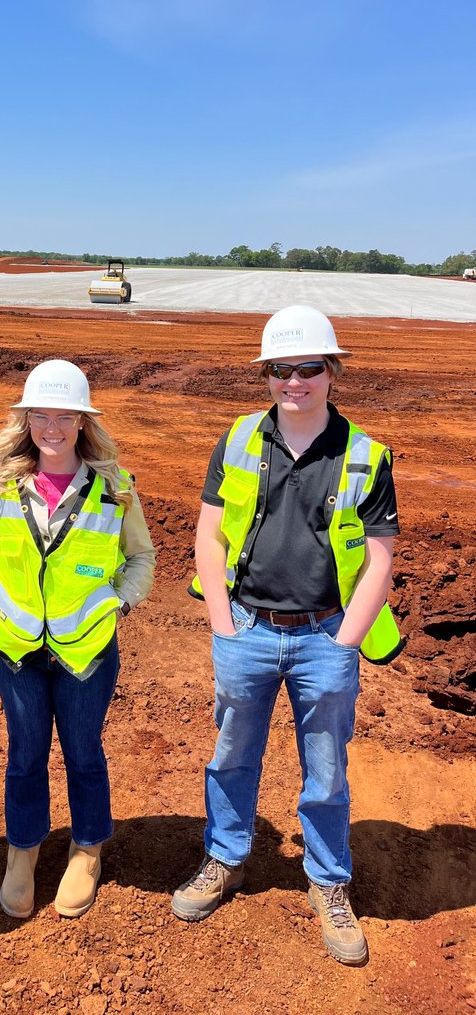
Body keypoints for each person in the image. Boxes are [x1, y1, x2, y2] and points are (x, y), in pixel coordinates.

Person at [172, 305, 401, 966]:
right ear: (266, 375)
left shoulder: (365, 455)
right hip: (245, 628)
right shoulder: (240, 439)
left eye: (307, 369)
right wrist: (222, 623)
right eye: (280, 370)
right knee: (230, 758)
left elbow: (381, 555)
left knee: (326, 771)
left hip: (324, 635)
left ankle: (329, 884)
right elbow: (209, 535)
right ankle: (225, 858)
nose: (293, 383)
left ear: (331, 373)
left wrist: (345, 642)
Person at [0, 359, 155, 920]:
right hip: (17, 650)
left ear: (84, 423)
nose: (53, 428)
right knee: (25, 754)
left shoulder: (113, 486)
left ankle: (87, 848)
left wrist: (122, 601)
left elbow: (141, 556)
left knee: (84, 752)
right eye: (40, 415)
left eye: (65, 416)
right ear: (26, 420)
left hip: (87, 650)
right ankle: (23, 850)